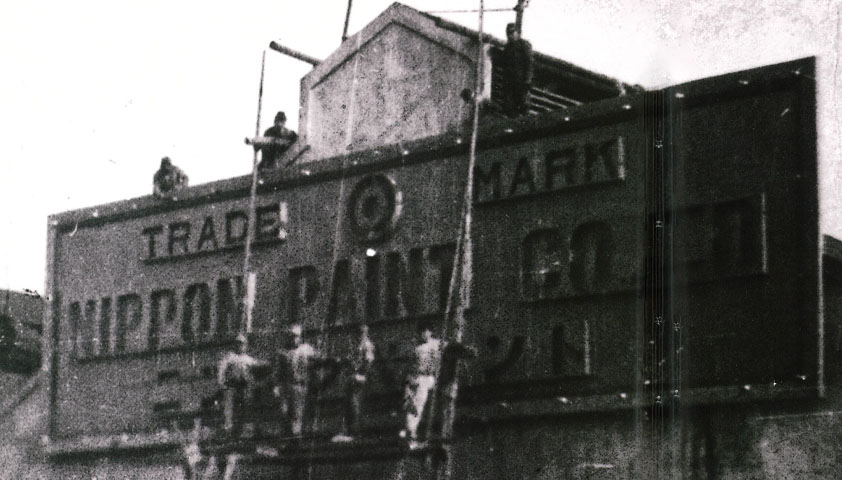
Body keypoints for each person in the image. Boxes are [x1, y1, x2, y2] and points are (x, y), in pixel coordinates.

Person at [400, 323, 442, 448]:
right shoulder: (414, 346)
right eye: (421, 331)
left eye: (426, 331)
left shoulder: (436, 344)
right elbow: (408, 365)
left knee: (421, 407)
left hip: (426, 378)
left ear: (430, 332)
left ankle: (422, 436)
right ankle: (411, 438)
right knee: (411, 407)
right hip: (414, 378)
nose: (423, 334)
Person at [333, 324, 375, 442]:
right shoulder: (357, 345)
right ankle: (349, 431)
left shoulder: (367, 345)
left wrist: (363, 375)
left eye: (362, 332)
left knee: (355, 404)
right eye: (358, 332)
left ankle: (356, 432)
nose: (359, 334)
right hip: (352, 377)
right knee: (349, 403)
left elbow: (369, 361)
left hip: (359, 378)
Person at [276, 324, 318, 436]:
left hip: (300, 385)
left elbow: (315, 364)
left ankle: (295, 439)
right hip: (286, 385)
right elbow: (279, 371)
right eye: (291, 336)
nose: (293, 339)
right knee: (284, 411)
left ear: (300, 337)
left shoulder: (307, 350)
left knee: (297, 413)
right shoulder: (283, 352)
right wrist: (276, 386)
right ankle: (285, 436)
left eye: (296, 336)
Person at [217, 334, 262, 437]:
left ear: (246, 345)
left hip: (244, 388)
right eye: (238, 344)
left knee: (244, 410)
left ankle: (241, 433)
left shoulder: (248, 359)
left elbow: (256, 370)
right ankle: (228, 433)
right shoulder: (229, 357)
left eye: (242, 344)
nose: (240, 346)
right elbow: (221, 371)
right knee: (229, 411)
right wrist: (222, 384)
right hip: (231, 387)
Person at [500, 23, 533, 117]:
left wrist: (527, 80)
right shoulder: (507, 48)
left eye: (511, 32)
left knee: (524, 104)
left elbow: (529, 63)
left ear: (517, 33)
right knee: (509, 106)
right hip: (510, 82)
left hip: (521, 81)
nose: (509, 35)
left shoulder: (524, 45)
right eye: (508, 33)